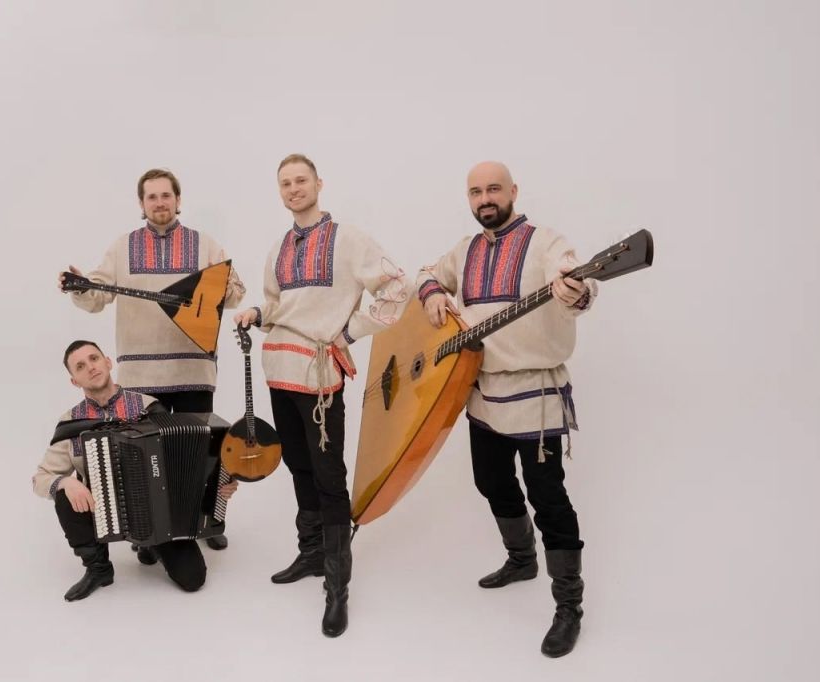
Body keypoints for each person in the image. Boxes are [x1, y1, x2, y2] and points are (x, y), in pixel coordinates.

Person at [416, 161, 597, 657]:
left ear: (513, 190)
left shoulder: (547, 243)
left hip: (535, 396)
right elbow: (427, 273)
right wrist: (432, 294)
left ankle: (569, 606)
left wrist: (577, 290)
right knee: (490, 481)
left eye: (493, 189)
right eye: (476, 192)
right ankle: (522, 559)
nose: (485, 199)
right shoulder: (465, 250)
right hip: (480, 392)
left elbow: (578, 283)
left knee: (549, 499)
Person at [234, 154, 409, 638]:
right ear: (280, 192)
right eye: (285, 183)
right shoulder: (278, 248)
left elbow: (399, 286)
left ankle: (337, 586)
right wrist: (256, 313)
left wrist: (348, 334)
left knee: (329, 476)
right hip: (279, 371)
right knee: (299, 466)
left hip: (319, 377)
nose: (294, 189)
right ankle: (311, 554)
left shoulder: (349, 240)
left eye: (301, 181)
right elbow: (277, 305)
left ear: (318, 184)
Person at [58, 168, 245, 551]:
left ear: (178, 199)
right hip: (141, 376)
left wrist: (227, 288)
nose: (160, 202)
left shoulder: (205, 244)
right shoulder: (123, 247)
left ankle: (207, 521)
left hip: (193, 369)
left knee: (202, 454)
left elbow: (234, 293)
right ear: (142, 204)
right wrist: (80, 287)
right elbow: (97, 297)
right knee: (143, 458)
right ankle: (147, 535)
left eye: (166, 195)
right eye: (152, 197)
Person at [31, 340, 237, 600]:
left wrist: (219, 483)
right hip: (103, 511)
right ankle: (98, 569)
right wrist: (65, 482)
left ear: (108, 362)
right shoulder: (71, 423)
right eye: (80, 366)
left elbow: (187, 461)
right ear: (74, 381)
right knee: (65, 494)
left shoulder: (148, 407)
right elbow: (41, 478)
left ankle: (150, 544)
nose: (90, 367)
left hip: (156, 514)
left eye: (94, 359)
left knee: (193, 578)